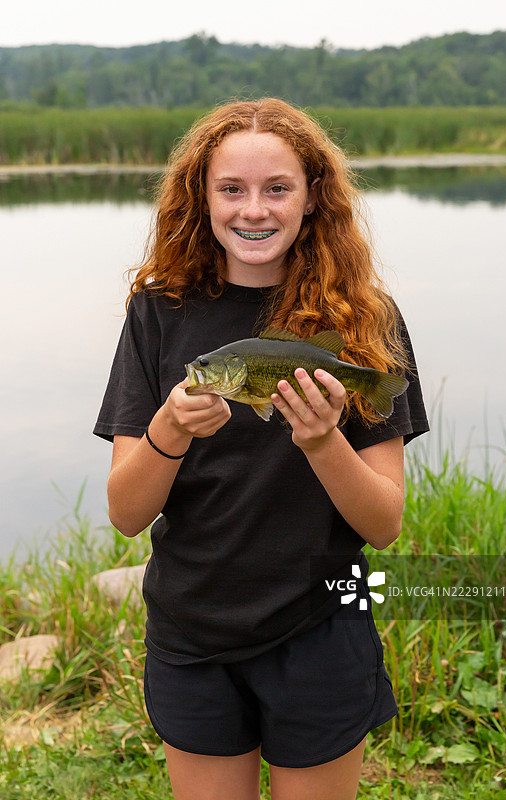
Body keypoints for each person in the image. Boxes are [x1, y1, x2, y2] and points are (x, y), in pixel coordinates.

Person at [94, 98, 429, 800]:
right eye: (232, 189)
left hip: (322, 626)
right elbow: (126, 515)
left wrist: (321, 441)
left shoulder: (364, 319)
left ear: (312, 199)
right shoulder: (158, 314)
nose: (254, 210)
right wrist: (170, 430)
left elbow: (384, 524)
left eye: (277, 189)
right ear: (202, 198)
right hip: (191, 632)